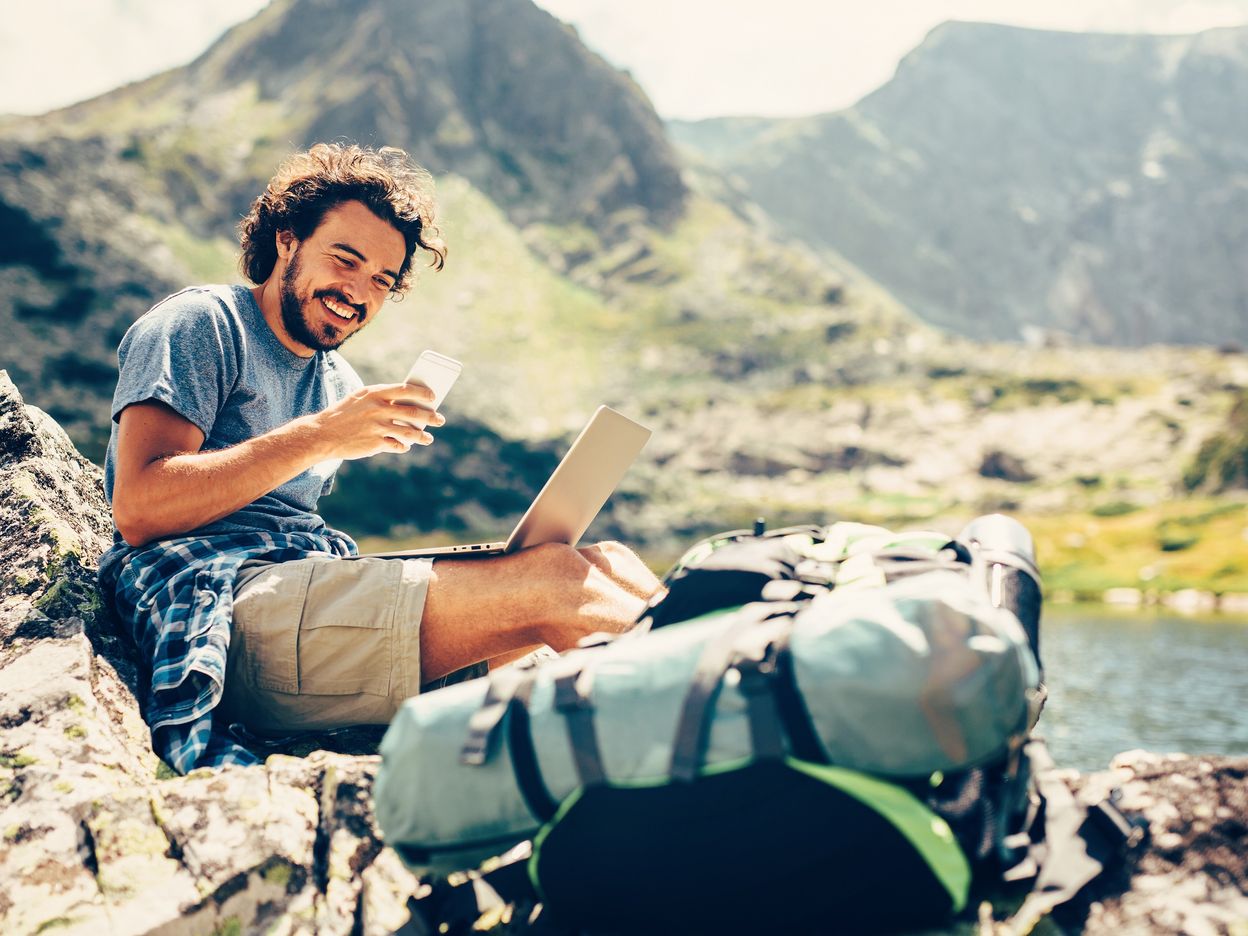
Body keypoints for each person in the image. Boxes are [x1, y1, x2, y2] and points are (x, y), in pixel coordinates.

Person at [97, 143, 661, 774]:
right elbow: (140, 508)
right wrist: (323, 434)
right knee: (554, 585)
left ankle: (739, 661)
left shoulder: (338, 379)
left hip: (302, 593)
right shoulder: (203, 322)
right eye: (346, 260)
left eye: (381, 281)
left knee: (599, 564)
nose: (358, 292)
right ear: (287, 240)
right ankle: (735, 692)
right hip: (215, 607)